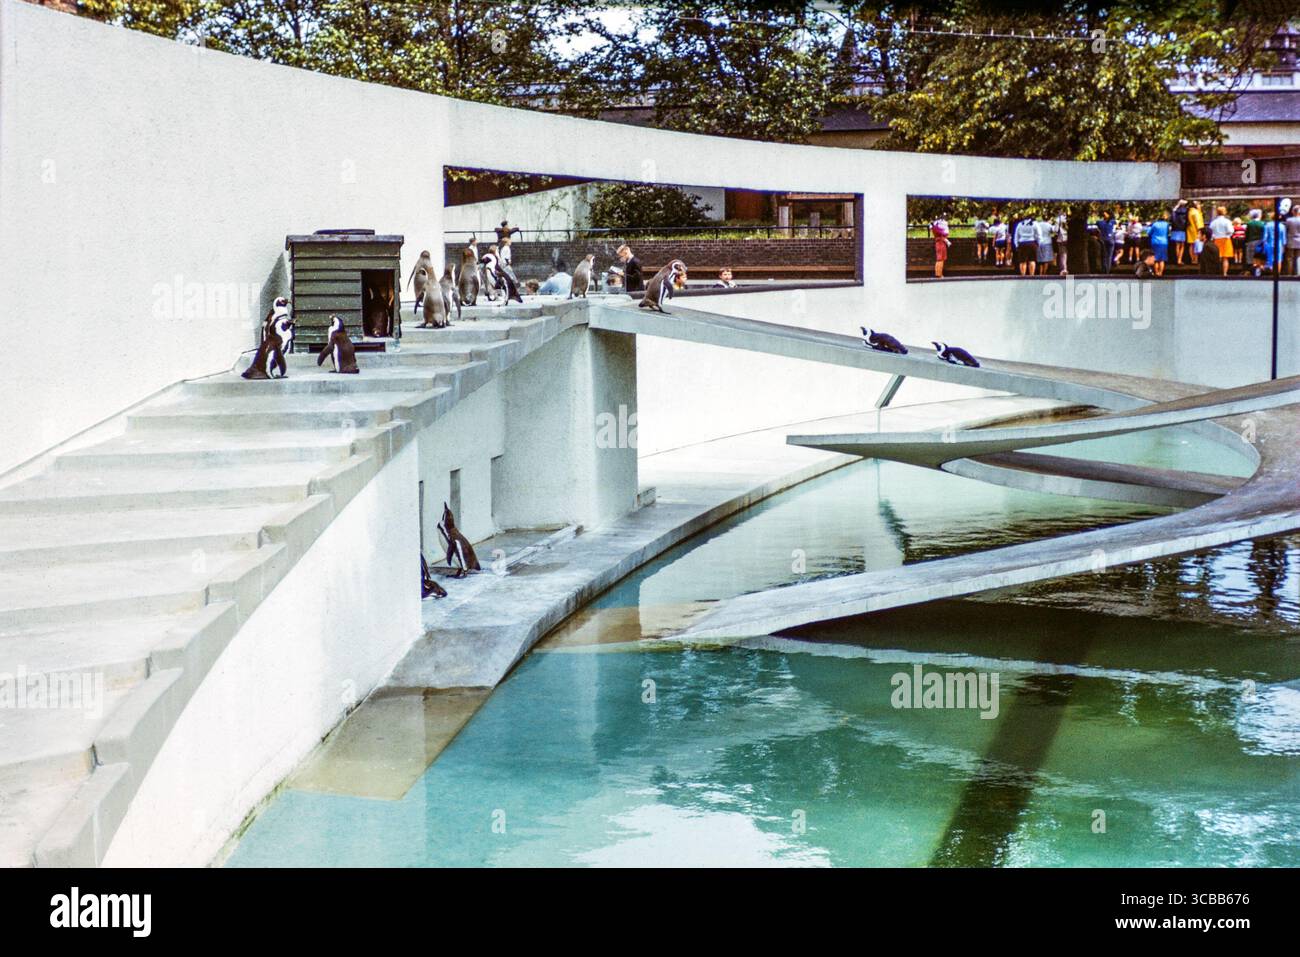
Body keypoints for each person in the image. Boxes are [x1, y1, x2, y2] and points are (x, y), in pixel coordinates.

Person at [1208, 206, 1234, 276]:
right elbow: (1230, 230)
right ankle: (1225, 273)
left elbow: (1210, 231)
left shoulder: (1213, 222)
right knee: (1225, 258)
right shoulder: (1227, 221)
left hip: (1216, 239)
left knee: (1217, 257)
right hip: (1225, 239)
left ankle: (1217, 272)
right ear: (1225, 212)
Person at [1170, 199, 1190, 265]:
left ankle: (1177, 259)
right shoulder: (1186, 211)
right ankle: (1179, 259)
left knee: (1177, 245)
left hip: (1175, 229)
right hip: (1182, 229)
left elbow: (1171, 219)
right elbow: (1187, 220)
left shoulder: (1174, 211)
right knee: (1182, 245)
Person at [1285, 204, 1300, 276]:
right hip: (1299, 240)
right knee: (1298, 258)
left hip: (1291, 240)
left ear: (1293, 212)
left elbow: (1286, 230)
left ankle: (1289, 274)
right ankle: (1297, 273)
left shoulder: (1289, 220)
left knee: (1289, 258)